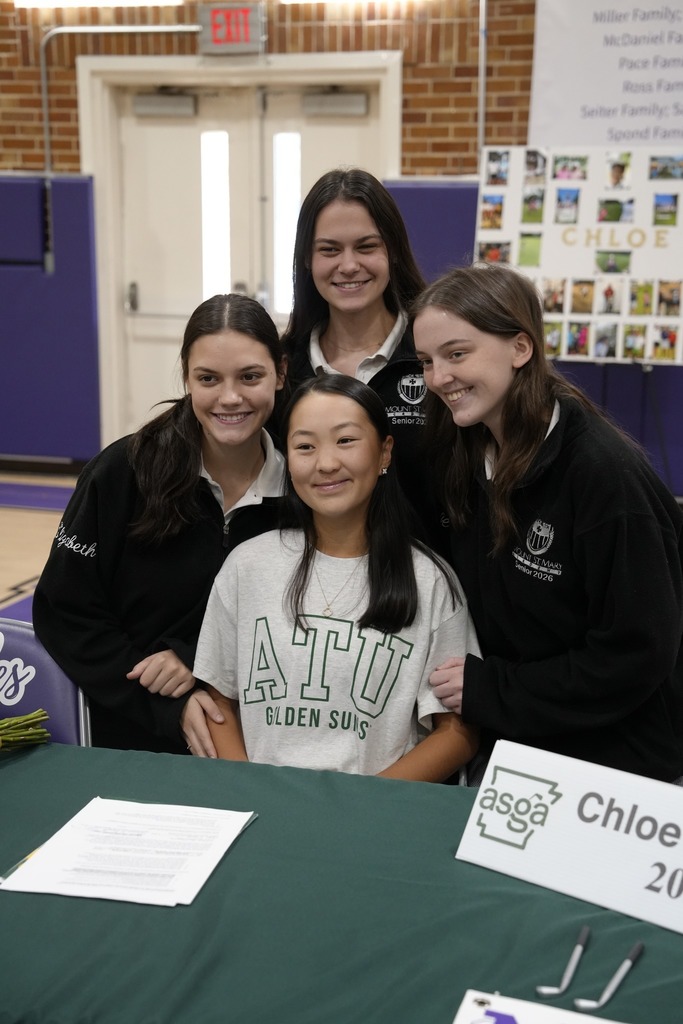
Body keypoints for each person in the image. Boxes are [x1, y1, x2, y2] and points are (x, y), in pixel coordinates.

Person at [411, 263, 683, 783]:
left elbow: (634, 655)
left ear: (520, 348)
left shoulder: (605, 476)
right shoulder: (464, 453)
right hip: (519, 750)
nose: (438, 377)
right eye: (427, 360)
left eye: (457, 354)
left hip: (618, 769)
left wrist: (494, 690)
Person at [33, 293, 287, 756]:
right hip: (130, 734)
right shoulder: (122, 472)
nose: (230, 397)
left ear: (281, 374)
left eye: (250, 377)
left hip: (266, 740)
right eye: (208, 378)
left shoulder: (304, 486)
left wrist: (195, 655)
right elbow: (66, 613)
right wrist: (164, 705)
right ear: (187, 378)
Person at [193, 375, 480, 781]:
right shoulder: (248, 566)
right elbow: (219, 699)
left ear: (385, 452)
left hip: (374, 817)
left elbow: (456, 732)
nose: (326, 463)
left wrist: (366, 804)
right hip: (263, 811)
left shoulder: (429, 580)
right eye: (305, 446)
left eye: (346, 440)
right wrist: (251, 791)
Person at [279, 167, 444, 549]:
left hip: (427, 580)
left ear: (393, 251)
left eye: (367, 247)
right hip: (310, 583)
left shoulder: (435, 356)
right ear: (307, 259)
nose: (349, 265)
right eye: (330, 250)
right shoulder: (283, 368)